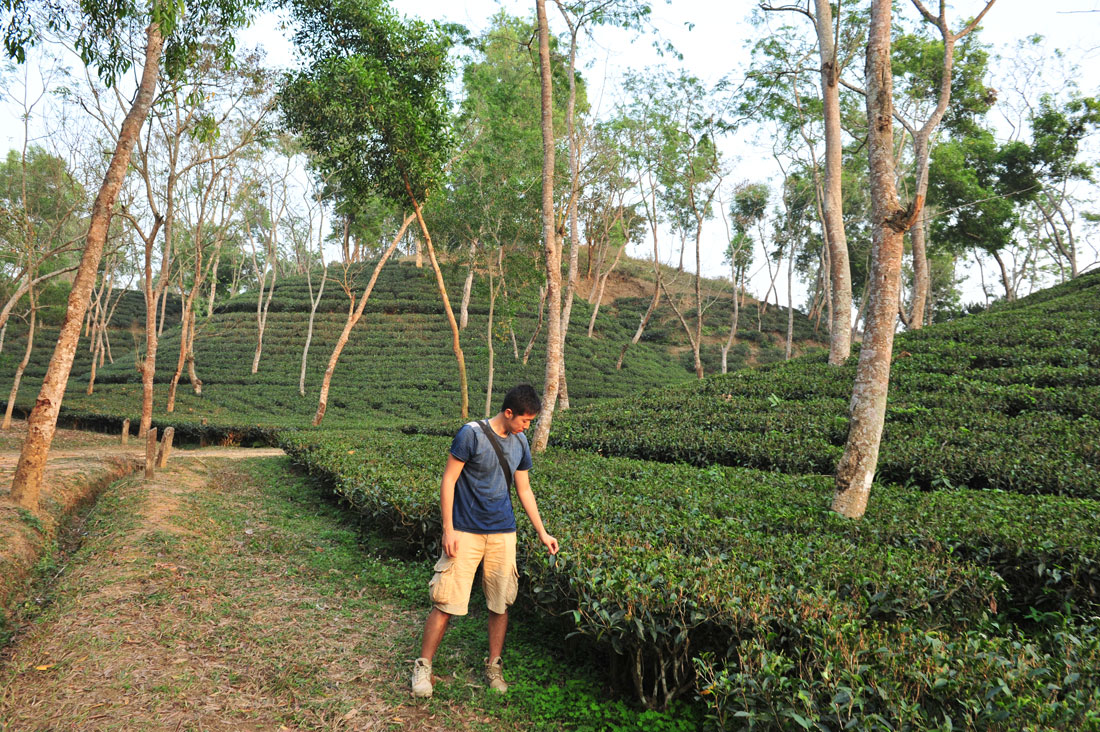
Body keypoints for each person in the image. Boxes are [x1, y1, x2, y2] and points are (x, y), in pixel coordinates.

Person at [411, 383, 559, 698]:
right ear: (509, 413)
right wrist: (448, 529)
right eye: (524, 420)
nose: (527, 426)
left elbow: (524, 489)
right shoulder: (471, 435)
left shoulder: (520, 442)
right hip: (465, 530)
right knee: (445, 602)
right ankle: (423, 667)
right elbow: (449, 480)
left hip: (503, 532)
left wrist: (542, 532)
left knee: (500, 602)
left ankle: (494, 667)